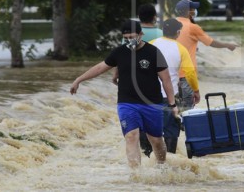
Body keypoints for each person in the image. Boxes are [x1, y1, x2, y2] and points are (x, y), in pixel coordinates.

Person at [70, 20, 179, 168]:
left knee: (156, 140)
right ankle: (136, 176)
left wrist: (172, 104)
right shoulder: (119, 52)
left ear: (141, 34)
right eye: (126, 38)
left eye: (132, 37)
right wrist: (79, 79)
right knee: (131, 136)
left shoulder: (153, 52)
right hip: (127, 103)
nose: (129, 40)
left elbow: (166, 80)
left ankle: (162, 166)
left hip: (151, 102)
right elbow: (100, 67)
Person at [175, 0, 238, 110]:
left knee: (173, 111)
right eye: (193, 9)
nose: (194, 11)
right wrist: (227, 45)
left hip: (170, 75)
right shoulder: (193, 27)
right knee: (187, 112)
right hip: (186, 75)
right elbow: (211, 42)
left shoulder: (169, 25)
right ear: (187, 12)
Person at [148, 18, 199, 154]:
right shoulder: (180, 49)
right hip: (170, 97)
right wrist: (196, 90)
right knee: (171, 130)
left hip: (149, 96)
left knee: (150, 129)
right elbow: (190, 73)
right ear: (177, 32)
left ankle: (148, 158)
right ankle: (169, 159)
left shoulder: (150, 45)